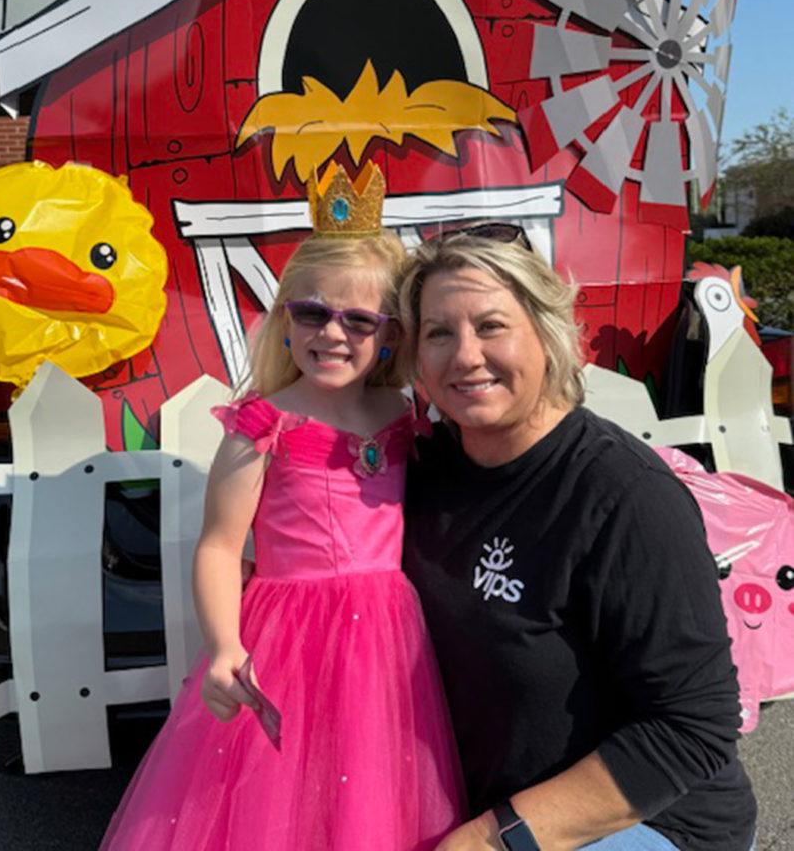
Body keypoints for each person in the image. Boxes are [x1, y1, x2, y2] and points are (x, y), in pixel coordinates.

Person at [101, 220, 464, 850]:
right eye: (312, 312)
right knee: (279, 788)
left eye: (358, 320)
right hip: (289, 634)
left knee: (372, 781)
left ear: (389, 336)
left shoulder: (404, 416)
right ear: (285, 319)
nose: (331, 334)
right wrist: (222, 647)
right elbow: (219, 544)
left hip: (387, 634)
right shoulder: (264, 425)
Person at [398, 225, 756, 851]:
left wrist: (494, 839)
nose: (464, 355)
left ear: (546, 332)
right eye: (438, 332)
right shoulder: (425, 473)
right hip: (473, 805)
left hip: (645, 823)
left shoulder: (623, 495)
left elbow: (693, 726)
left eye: (490, 326)